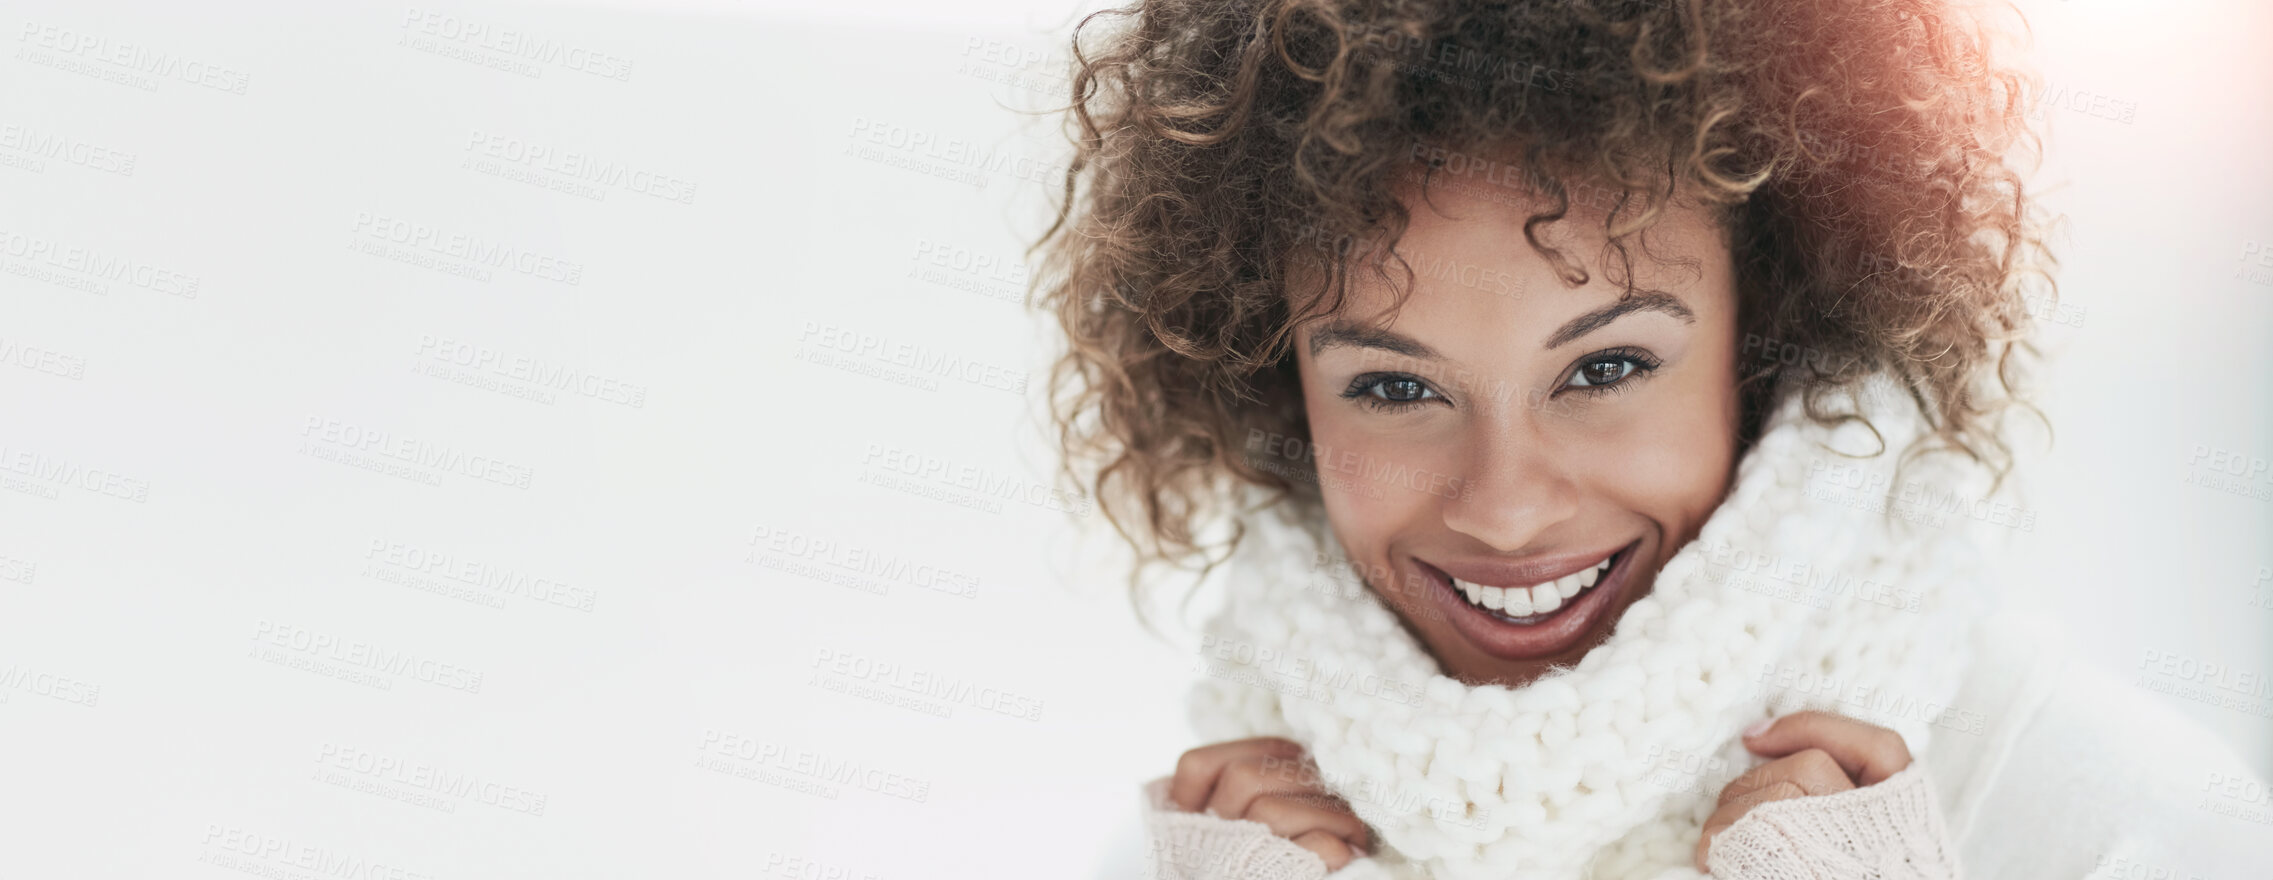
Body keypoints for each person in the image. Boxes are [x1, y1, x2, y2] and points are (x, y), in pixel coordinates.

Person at [1030, 0, 2273, 877]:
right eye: (1395, 391)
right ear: (1267, 378)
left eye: (1606, 367)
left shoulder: (2114, 819)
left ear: (1771, 334)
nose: (1506, 508)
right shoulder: (1205, 850)